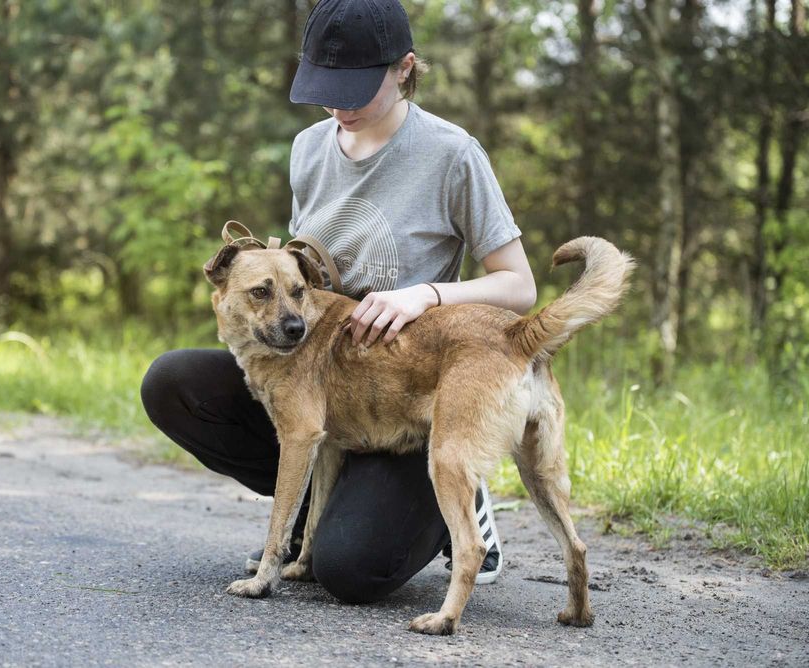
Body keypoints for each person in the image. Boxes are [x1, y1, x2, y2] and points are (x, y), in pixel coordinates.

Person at [140, 0, 536, 604]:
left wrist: (423, 294)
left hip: (408, 392)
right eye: (326, 89)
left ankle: (459, 490)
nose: (339, 105)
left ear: (404, 69)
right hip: (321, 379)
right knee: (173, 381)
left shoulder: (452, 154)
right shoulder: (308, 148)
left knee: (352, 571)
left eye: (356, 89)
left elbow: (519, 286)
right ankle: (308, 516)